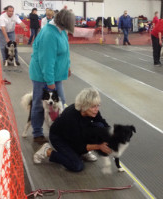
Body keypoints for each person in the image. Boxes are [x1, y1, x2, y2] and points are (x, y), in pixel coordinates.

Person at [33, 88, 112, 172]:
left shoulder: (93, 112)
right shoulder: (71, 117)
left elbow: (104, 125)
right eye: (93, 106)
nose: (96, 109)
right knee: (76, 165)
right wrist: (99, 146)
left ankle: (83, 152)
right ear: (84, 106)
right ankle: (47, 151)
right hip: (59, 138)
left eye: (97, 105)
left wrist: (113, 136)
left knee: (100, 126)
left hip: (77, 134)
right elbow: (77, 145)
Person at [29, 9, 74, 144]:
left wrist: (68, 66)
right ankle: (37, 133)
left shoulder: (61, 31)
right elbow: (47, 61)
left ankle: (57, 131)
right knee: (38, 103)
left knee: (60, 102)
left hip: (55, 74)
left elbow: (65, 52)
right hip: (42, 76)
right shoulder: (49, 34)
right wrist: (50, 83)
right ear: (65, 22)